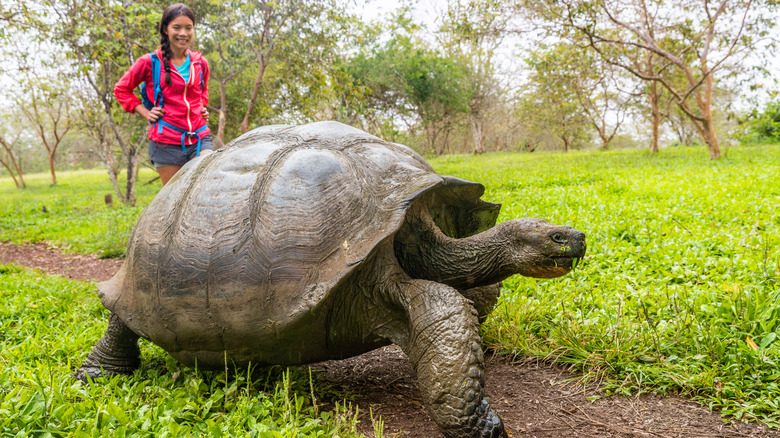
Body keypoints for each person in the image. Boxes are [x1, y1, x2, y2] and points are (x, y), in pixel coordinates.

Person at [114, 3, 212, 186]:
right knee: (175, 199)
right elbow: (121, 89)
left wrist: (201, 107)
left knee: (203, 187)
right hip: (166, 141)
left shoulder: (200, 62)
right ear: (166, 29)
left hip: (199, 137)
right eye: (177, 27)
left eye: (188, 28)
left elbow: (202, 90)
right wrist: (145, 112)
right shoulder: (149, 62)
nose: (183, 33)